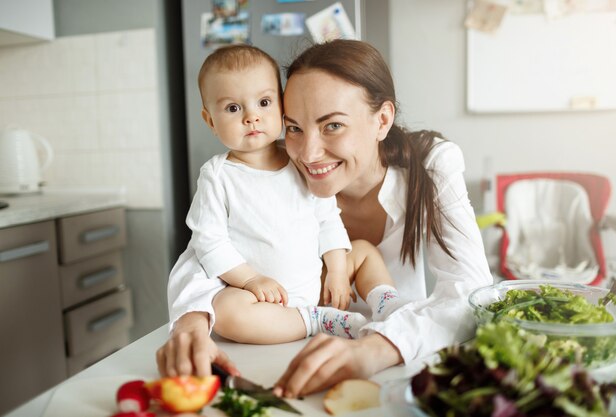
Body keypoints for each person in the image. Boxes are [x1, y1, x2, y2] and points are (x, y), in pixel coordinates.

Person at [157, 39, 492, 396]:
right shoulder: (270, 170)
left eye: (332, 125)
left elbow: (471, 292)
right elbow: (203, 250)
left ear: (382, 120)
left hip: (401, 358)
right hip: (287, 350)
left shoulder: (432, 164)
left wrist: (376, 348)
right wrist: (190, 325)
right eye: (295, 128)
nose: (309, 153)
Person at [167, 43, 407, 352]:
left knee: (361, 251)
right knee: (226, 311)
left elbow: (326, 217)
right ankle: (315, 320)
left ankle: (387, 305)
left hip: (318, 282)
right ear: (210, 120)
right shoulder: (217, 176)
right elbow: (209, 243)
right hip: (267, 298)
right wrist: (251, 280)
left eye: (264, 102)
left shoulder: (298, 160)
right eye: (232, 108)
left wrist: (335, 269)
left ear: (281, 107)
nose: (251, 117)